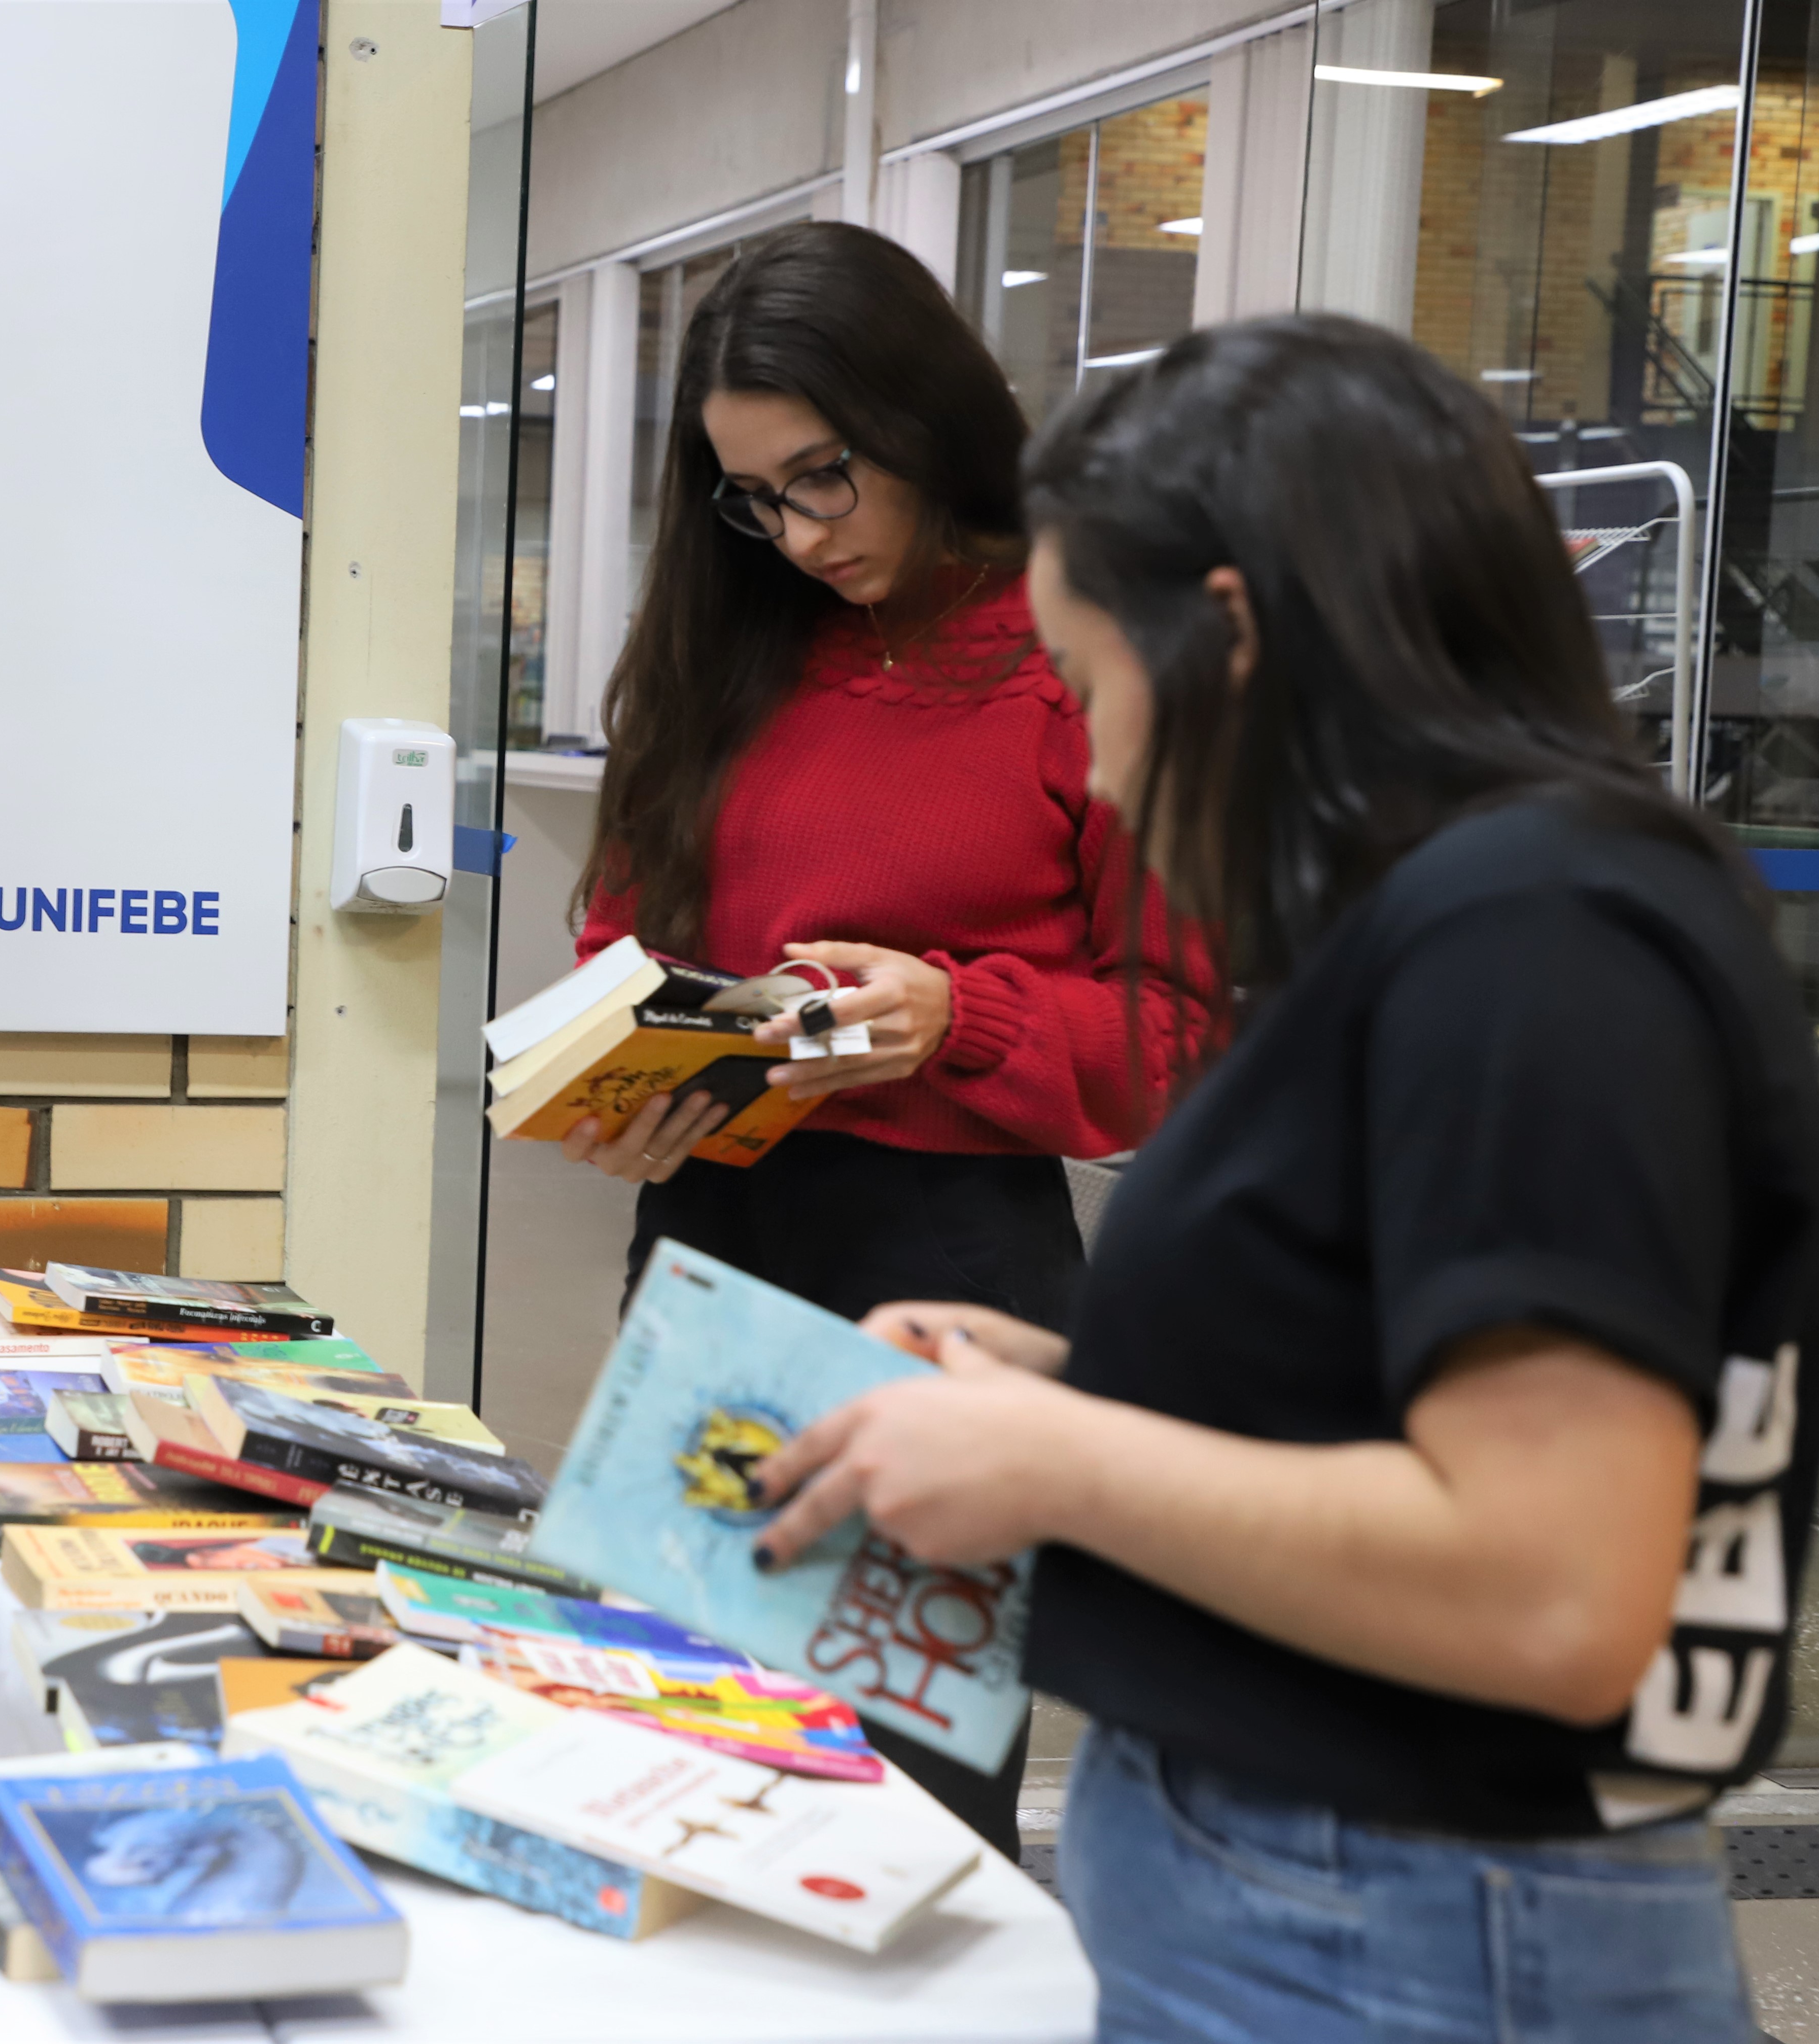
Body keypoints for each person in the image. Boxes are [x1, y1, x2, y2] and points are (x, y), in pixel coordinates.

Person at [750, 315, 1819, 2040]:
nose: (1097, 763)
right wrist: (1095, 1391)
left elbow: (1558, 1591)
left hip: (1407, 1918)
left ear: (1232, 636)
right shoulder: (1449, 923)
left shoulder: (1532, 940)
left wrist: (1063, 1455)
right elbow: (1411, 1396)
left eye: (1098, 689)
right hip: (1338, 1892)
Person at [559, 219, 1210, 1847]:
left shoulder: (1076, 660)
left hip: (941, 1285)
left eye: (823, 477)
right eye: (753, 494)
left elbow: (1186, 1028)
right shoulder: (727, 648)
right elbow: (618, 942)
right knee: (675, 1777)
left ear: (921, 417)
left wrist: (960, 1017)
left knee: (891, 1816)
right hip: (706, 1252)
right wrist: (619, 1079)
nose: (793, 533)